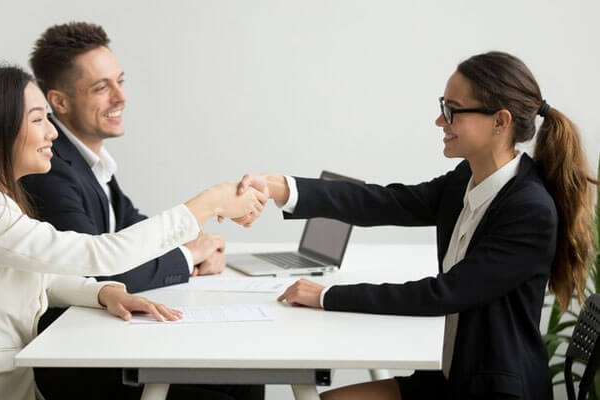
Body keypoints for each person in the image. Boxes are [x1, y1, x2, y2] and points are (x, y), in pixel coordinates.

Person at [236, 51, 596, 399]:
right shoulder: (464, 181)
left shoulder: (529, 210)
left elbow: (444, 293)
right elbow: (385, 202)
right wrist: (281, 188)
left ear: (500, 122)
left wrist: (327, 296)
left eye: (451, 111)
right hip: (448, 376)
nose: (440, 122)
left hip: (491, 387)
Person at [0, 66, 265, 400]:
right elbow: (100, 253)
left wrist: (104, 292)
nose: (52, 132)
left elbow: (39, 276)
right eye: (37, 119)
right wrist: (208, 204)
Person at [21, 22, 263, 400]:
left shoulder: (91, 162)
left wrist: (195, 248)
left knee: (245, 378)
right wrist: (188, 255)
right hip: (74, 359)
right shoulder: (49, 170)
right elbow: (100, 268)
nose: (120, 97)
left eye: (120, 81)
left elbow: (136, 231)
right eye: (101, 88)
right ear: (60, 102)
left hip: (107, 337)